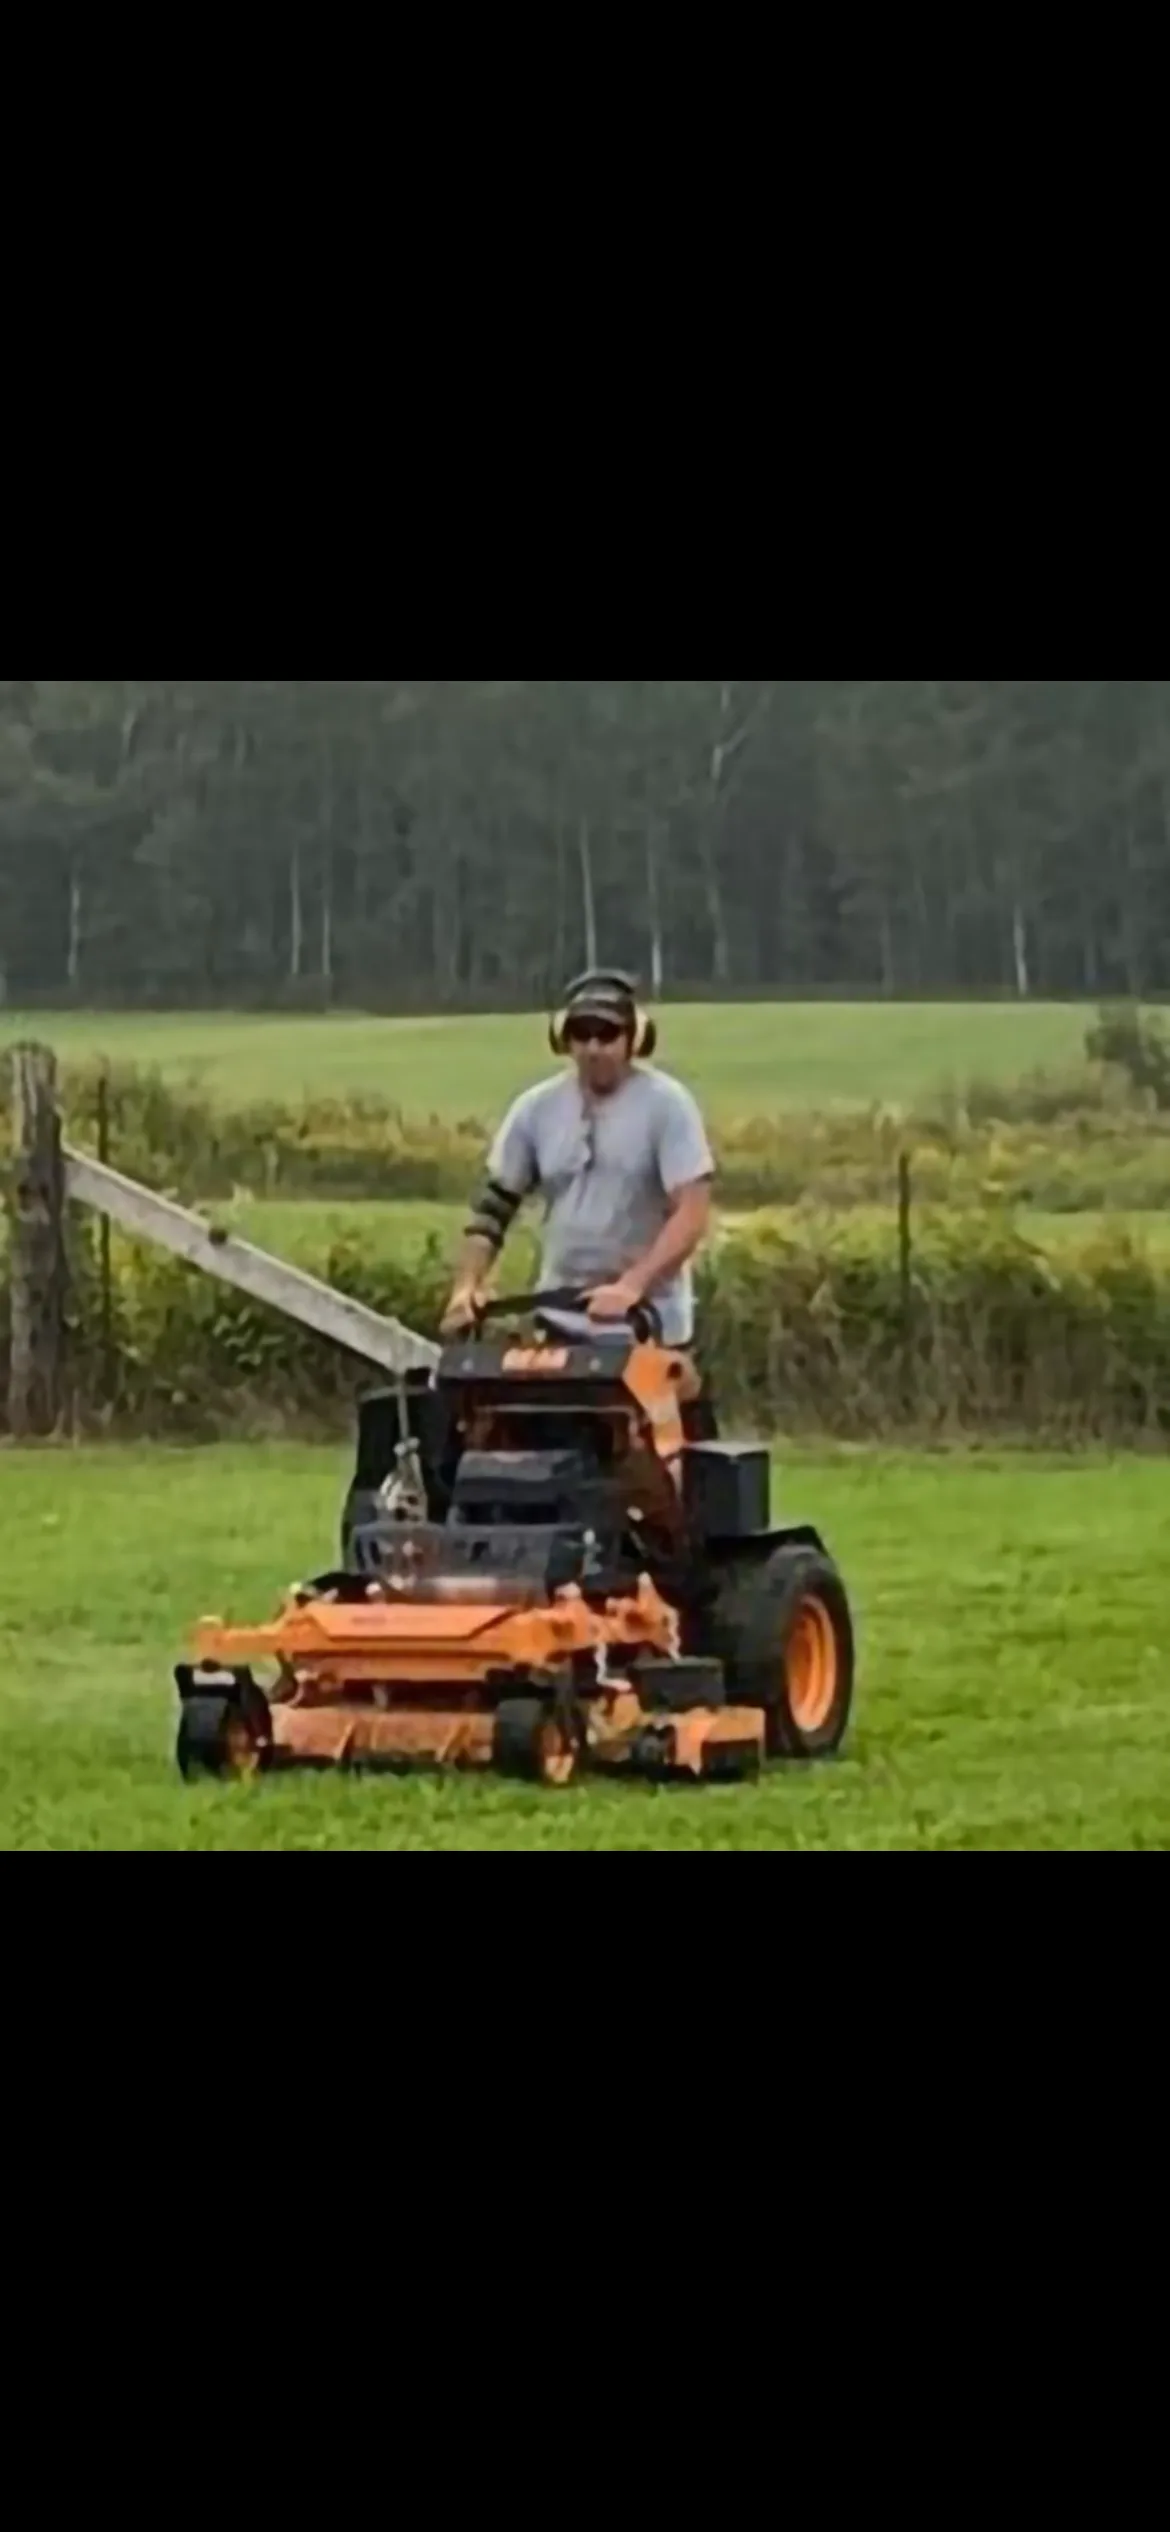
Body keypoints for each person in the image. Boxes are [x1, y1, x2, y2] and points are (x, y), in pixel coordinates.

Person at [441, 969, 716, 1353]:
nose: (593, 1048)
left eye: (606, 1036)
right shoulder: (534, 1109)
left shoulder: (669, 1107)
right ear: (562, 1040)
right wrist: (467, 1287)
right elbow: (492, 1207)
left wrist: (631, 1286)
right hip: (557, 1320)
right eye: (581, 1035)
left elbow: (691, 1213)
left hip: (647, 1326)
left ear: (633, 1039)